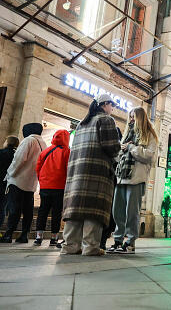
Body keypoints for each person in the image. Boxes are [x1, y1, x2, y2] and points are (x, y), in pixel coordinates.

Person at [61, 94, 121, 256]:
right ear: (105, 105)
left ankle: (70, 246)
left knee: (76, 209)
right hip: (97, 171)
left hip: (77, 172)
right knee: (94, 209)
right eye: (112, 106)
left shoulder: (82, 123)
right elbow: (112, 147)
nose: (112, 109)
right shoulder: (106, 120)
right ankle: (90, 247)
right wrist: (120, 148)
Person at [107, 107, 157, 255]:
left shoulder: (149, 135)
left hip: (136, 179)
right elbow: (119, 156)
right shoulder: (127, 133)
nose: (132, 120)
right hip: (122, 177)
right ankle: (117, 240)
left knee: (132, 213)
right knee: (117, 212)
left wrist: (130, 147)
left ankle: (130, 242)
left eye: (134, 117)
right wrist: (122, 150)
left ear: (141, 118)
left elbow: (149, 156)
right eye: (130, 117)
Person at [0, 123, 47, 243]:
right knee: (27, 210)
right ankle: (24, 235)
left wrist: (10, 174)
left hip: (18, 180)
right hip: (31, 182)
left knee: (14, 208)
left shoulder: (28, 140)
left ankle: (9, 234)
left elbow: (19, 159)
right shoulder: (43, 144)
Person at [34, 130, 70, 246]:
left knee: (42, 211)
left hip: (45, 186)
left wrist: (42, 181)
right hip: (59, 187)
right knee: (56, 212)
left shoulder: (46, 151)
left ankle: (38, 237)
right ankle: (54, 238)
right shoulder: (66, 152)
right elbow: (68, 169)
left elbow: (38, 168)